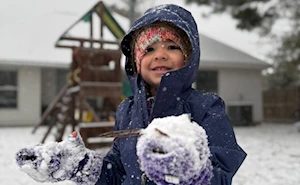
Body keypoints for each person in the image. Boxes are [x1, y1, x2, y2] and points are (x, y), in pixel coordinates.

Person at [15, 4, 246, 185]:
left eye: (172, 46)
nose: (160, 55)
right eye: (149, 49)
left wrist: (191, 173)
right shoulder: (127, 110)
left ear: (189, 57)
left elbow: (222, 176)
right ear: (136, 62)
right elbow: (116, 173)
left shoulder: (206, 108)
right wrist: (83, 165)